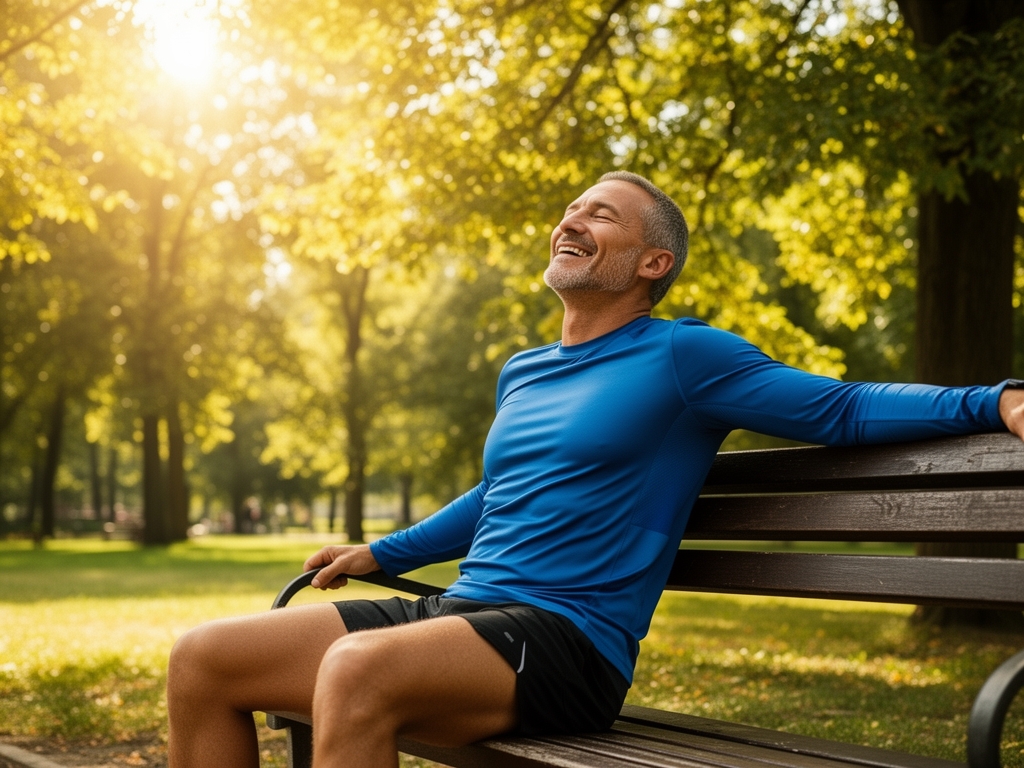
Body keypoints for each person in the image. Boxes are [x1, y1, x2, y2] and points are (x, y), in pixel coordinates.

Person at [167, 172, 1024, 768]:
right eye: (573, 208)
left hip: (568, 639)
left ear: (654, 263)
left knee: (354, 671)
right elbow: (504, 495)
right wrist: (383, 551)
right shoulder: (524, 368)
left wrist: (994, 400)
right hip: (463, 614)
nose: (573, 220)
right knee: (203, 658)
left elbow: (840, 408)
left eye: (603, 215)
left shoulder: (686, 357)